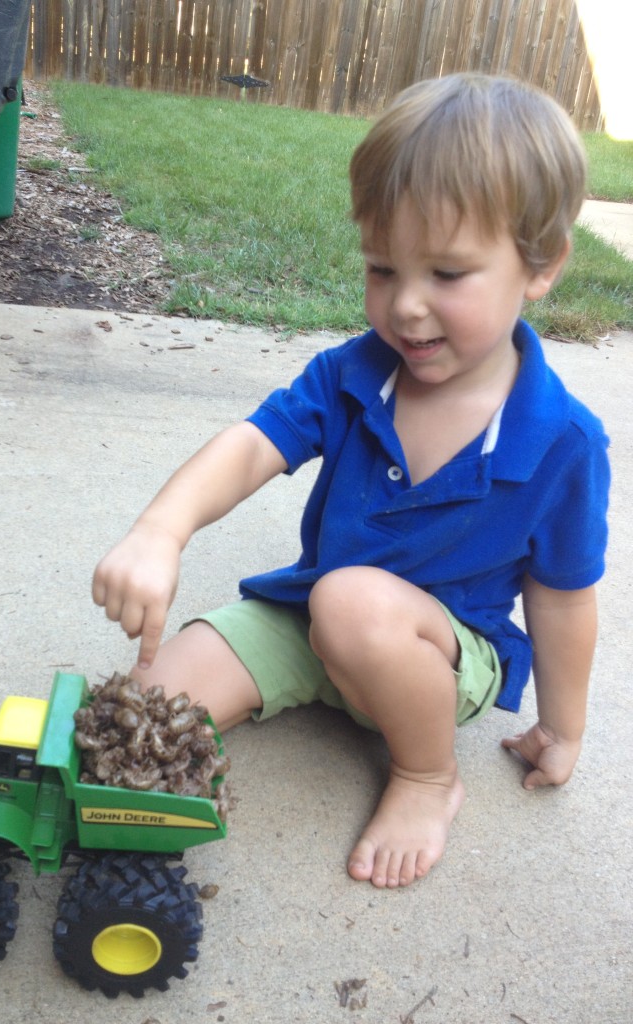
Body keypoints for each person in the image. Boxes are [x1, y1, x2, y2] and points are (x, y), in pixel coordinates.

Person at [92, 73, 610, 889]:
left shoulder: (562, 441)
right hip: (311, 614)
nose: (405, 307)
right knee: (138, 713)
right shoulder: (355, 375)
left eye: (446, 274)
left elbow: (564, 593)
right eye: (381, 268)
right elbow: (255, 443)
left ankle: (427, 777)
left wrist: (564, 726)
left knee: (353, 604)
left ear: (540, 266)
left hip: (442, 653)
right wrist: (163, 527)